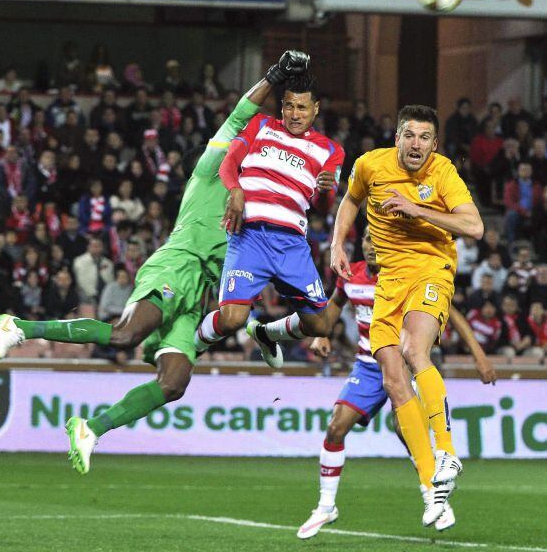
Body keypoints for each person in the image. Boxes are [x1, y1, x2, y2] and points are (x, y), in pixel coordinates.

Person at [0, 50, 315, 474]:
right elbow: (239, 117)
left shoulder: (258, 200)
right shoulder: (211, 170)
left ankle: (90, 428)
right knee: (126, 336)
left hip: (197, 292)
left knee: (174, 382)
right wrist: (274, 78)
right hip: (177, 265)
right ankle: (18, 327)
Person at [329, 104, 484, 526]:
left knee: (416, 351)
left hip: (431, 269)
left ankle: (447, 453)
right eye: (410, 135)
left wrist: (419, 210)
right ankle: (432, 485)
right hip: (389, 282)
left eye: (425, 138)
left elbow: (474, 227)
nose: (417, 144)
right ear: (396, 137)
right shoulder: (369, 165)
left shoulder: (443, 172)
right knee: (394, 381)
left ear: (435, 144)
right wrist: (337, 243)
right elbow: (350, 199)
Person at [297, 227, 496, 539]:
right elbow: (335, 302)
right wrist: (323, 332)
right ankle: (325, 506)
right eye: (367, 239)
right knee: (336, 427)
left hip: (399, 362)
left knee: (405, 429)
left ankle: (434, 495)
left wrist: (478, 355)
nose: (373, 245)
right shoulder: (351, 274)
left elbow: (451, 312)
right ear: (360, 244)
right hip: (367, 365)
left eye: (378, 239)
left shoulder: (404, 273)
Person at [192, 70, 343, 360]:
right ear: (281, 106)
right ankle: (194, 345)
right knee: (232, 319)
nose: (295, 114)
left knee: (320, 324)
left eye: (302, 107)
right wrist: (235, 190)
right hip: (249, 235)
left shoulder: (331, 151)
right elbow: (228, 164)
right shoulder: (260, 125)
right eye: (289, 106)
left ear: (316, 108)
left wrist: (326, 192)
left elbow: (323, 208)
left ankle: (266, 333)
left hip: (292, 245)